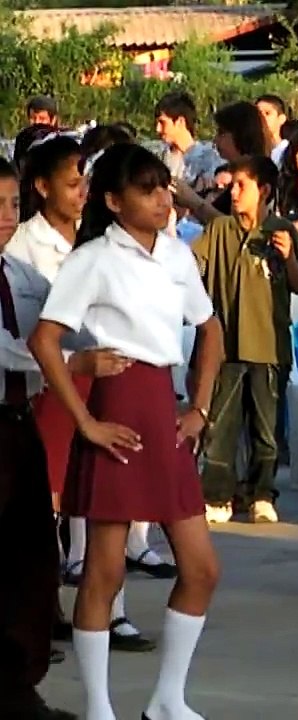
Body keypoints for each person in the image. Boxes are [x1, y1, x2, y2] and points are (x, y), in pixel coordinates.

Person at [28, 143, 224, 720]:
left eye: (165, 187)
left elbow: (210, 331)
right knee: (104, 571)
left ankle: (168, 698)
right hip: (116, 404)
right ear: (113, 201)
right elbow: (46, 339)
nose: (163, 199)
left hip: (164, 406)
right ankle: (99, 707)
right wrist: (85, 420)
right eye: (147, 189)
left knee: (202, 568)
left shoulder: (177, 255)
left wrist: (202, 408)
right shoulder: (93, 258)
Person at [9, 134, 162, 654]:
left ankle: (106, 609)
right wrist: (71, 361)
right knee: (47, 503)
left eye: (85, 184)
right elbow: (35, 336)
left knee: (102, 500)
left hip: (97, 376)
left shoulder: (98, 237)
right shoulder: (22, 248)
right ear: (42, 187)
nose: (80, 194)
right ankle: (46, 609)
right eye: (71, 184)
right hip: (50, 383)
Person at [0, 156, 78, 720]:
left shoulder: (15, 273)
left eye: (10, 205)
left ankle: (16, 680)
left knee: (31, 553)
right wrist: (72, 362)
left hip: (18, 422)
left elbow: (60, 311)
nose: (7, 218)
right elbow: (11, 349)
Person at [192, 155, 298, 525]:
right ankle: (218, 494)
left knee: (266, 428)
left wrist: (289, 257)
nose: (235, 192)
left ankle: (261, 493)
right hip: (226, 347)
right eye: (232, 185)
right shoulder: (220, 230)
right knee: (221, 426)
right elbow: (193, 268)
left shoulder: (280, 232)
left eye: (243, 185)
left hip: (268, 346)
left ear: (265, 191)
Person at [254, 94, 291, 166]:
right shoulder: (251, 155)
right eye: (258, 114)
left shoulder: (290, 152)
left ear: (281, 119)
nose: (262, 118)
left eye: (267, 113)